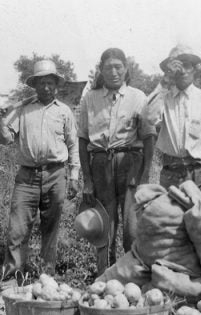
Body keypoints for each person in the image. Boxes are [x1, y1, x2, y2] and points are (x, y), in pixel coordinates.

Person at [0, 60, 79, 278]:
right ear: (35, 85)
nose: (46, 87)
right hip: (27, 177)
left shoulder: (65, 112)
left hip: (55, 174)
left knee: (50, 229)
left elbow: (73, 145)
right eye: (41, 83)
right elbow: (5, 139)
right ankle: (13, 276)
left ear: (56, 85)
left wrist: (75, 175)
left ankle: (46, 275)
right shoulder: (23, 110)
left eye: (50, 82)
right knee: (17, 229)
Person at [78, 48, 155, 275]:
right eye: (108, 67)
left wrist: (144, 177)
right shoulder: (90, 99)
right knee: (104, 224)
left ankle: (133, 276)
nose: (113, 72)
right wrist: (88, 181)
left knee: (132, 225)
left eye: (118, 67)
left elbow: (149, 137)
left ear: (126, 69)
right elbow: (82, 141)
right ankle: (105, 276)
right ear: (100, 70)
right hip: (101, 163)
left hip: (130, 162)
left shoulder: (138, 97)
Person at [150, 44, 201, 201]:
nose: (182, 70)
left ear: (195, 69)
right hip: (171, 173)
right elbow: (148, 117)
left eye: (187, 65)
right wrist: (165, 81)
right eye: (176, 66)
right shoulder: (163, 98)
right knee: (171, 222)